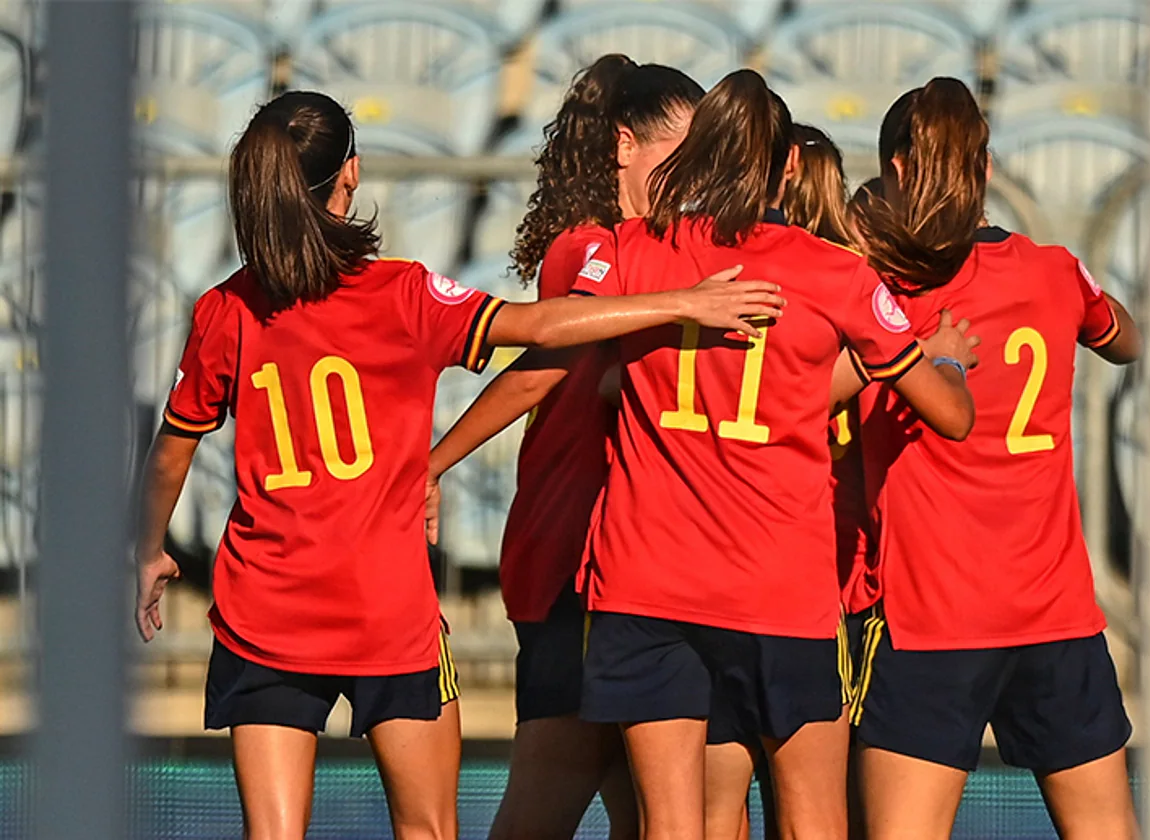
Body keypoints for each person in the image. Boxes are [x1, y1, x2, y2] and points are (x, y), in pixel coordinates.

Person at [132, 90, 786, 840]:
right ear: (352, 173)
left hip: (267, 614)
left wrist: (148, 549)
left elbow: (170, 454)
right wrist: (681, 304)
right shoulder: (401, 293)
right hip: (387, 611)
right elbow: (539, 326)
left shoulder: (225, 310)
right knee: (429, 829)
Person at [574, 69, 977, 840]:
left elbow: (560, 339)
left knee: (673, 824)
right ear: (790, 165)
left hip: (647, 582)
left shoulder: (632, 249)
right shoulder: (837, 274)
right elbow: (950, 416)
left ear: (697, 155)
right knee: (812, 819)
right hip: (777, 591)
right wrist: (947, 358)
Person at [846, 78, 1143, 840]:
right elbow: (1125, 339)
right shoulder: (1054, 270)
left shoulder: (884, 291)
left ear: (901, 171)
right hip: (1055, 613)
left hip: (933, 616)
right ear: (984, 166)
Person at [474, 54, 702, 840]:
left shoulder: (651, 249)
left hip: (625, 564)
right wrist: (430, 463)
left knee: (649, 813)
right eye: (686, 147)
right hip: (580, 553)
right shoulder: (598, 247)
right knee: (547, 803)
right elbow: (543, 370)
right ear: (625, 145)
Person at [705, 121, 862, 840]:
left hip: (730, 568)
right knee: (817, 806)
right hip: (817, 577)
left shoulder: (718, 276)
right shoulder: (849, 288)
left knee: (712, 804)